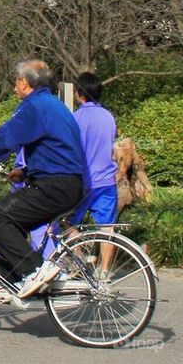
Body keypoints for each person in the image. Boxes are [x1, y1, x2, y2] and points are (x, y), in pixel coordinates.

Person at [0, 59, 85, 301]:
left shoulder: (34, 106)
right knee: (12, 222)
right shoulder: (53, 104)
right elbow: (57, 150)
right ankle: (8, 280)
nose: (14, 87)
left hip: (55, 186)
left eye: (15, 81)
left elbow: (7, 138)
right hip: (66, 182)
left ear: (25, 82)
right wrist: (25, 172)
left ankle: (36, 270)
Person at [69, 71, 118, 276]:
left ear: (80, 94)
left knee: (66, 223)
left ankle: (78, 261)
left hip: (84, 181)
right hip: (107, 180)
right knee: (107, 228)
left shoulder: (76, 117)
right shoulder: (108, 116)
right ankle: (104, 271)